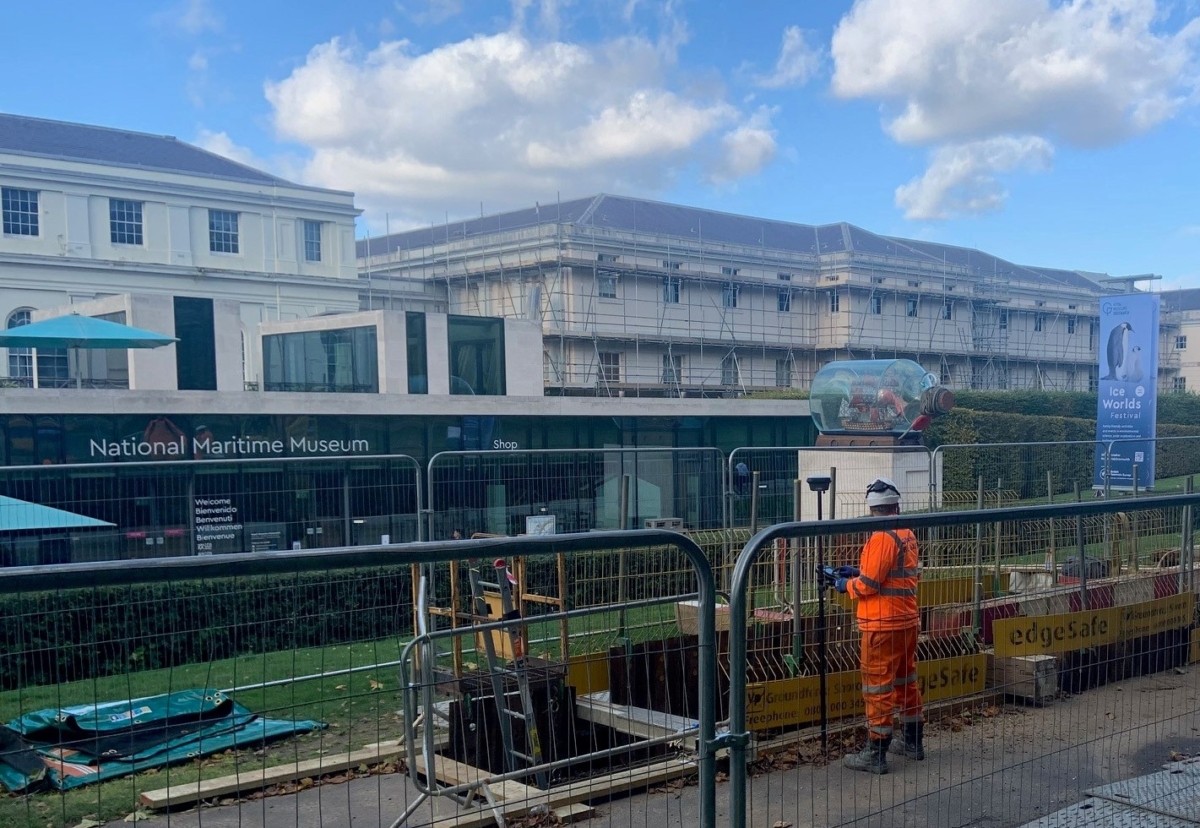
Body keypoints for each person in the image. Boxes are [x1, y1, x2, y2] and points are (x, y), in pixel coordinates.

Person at [828, 477, 923, 774]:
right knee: (905, 680)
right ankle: (912, 741)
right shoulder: (905, 532)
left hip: (881, 624)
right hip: (906, 620)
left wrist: (845, 584)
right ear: (896, 505)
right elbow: (890, 573)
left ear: (872, 508)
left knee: (877, 687)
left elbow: (869, 585)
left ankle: (875, 751)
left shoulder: (881, 536)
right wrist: (858, 571)